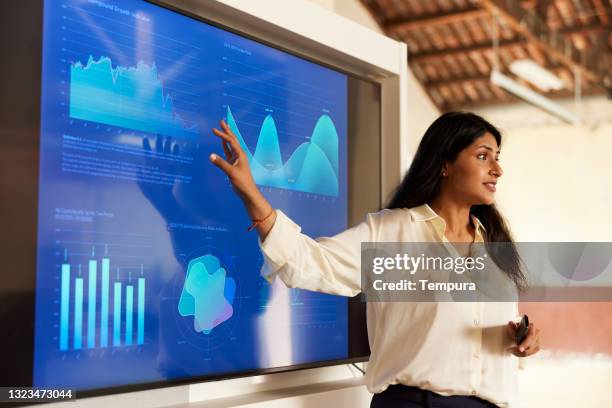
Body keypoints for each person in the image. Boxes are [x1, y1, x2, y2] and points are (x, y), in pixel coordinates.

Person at [209, 112, 541, 407]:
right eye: (484, 156)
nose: (497, 169)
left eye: (497, 158)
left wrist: (521, 338)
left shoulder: (496, 246)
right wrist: (251, 194)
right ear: (445, 164)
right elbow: (308, 262)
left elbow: (491, 325)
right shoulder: (392, 233)